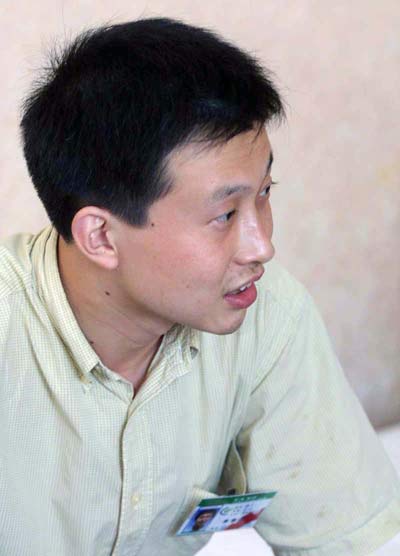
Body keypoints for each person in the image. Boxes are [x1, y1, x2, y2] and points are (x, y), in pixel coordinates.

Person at [0, 17, 399, 556]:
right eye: (225, 214)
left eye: (265, 193)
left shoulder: (266, 313)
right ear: (100, 236)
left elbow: (342, 537)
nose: (261, 246)